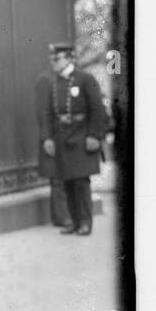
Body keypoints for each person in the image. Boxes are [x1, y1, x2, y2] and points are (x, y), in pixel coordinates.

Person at [41, 41, 108, 235]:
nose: (53, 62)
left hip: (82, 136)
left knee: (80, 182)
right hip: (62, 137)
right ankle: (74, 221)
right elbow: (49, 114)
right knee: (66, 181)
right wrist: (48, 138)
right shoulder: (55, 83)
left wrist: (95, 135)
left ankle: (86, 222)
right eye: (52, 59)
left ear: (70, 58)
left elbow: (98, 109)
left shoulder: (85, 79)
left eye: (57, 58)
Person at [35, 67, 73, 229]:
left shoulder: (70, 78)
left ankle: (63, 215)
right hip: (54, 136)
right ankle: (62, 217)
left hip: (68, 136)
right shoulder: (46, 79)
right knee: (58, 178)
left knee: (67, 176)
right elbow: (43, 111)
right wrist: (47, 137)